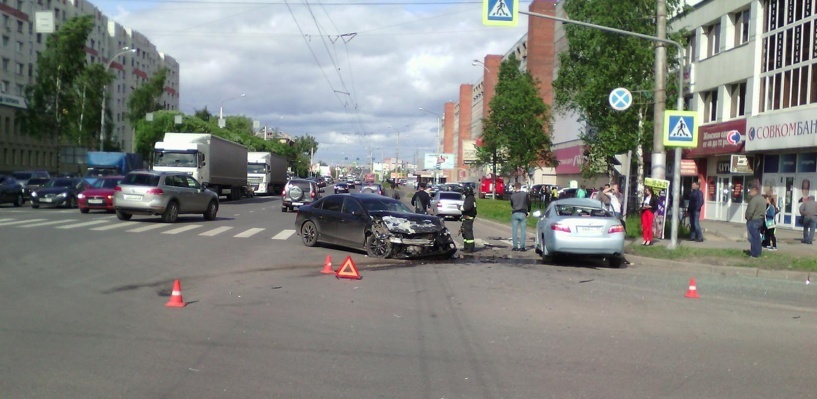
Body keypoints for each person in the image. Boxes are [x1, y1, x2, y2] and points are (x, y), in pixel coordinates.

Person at [744, 185, 766, 258]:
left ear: (754, 191)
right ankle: (758, 252)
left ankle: (754, 254)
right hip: (760, 220)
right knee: (757, 238)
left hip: (753, 220)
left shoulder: (754, 200)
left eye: (750, 191)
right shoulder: (762, 199)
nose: (749, 193)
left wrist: (748, 217)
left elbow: (750, 211)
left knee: (753, 238)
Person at [510, 182, 531, 251]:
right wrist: (528, 211)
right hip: (523, 213)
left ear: (515, 187)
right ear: (520, 187)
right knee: (523, 231)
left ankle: (515, 246)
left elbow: (512, 204)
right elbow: (528, 203)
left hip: (515, 213)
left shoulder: (512, 195)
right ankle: (522, 246)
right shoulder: (525, 194)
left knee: (514, 231)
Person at [460, 185, 477, 252]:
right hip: (466, 217)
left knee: (468, 233)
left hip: (468, 217)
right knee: (464, 232)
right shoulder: (470, 198)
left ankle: (470, 247)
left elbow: (466, 207)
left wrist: (461, 208)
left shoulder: (470, 198)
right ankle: (466, 246)